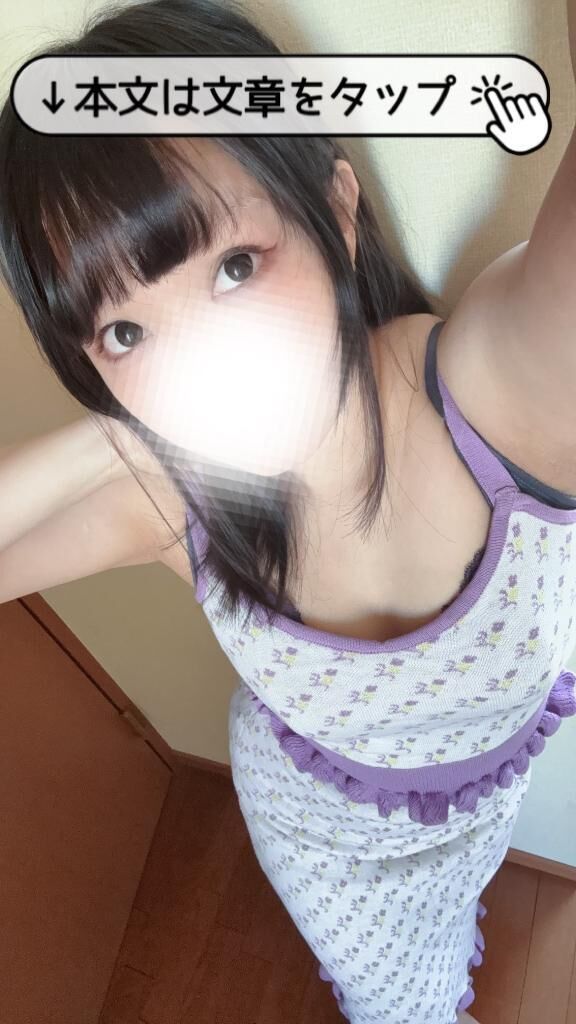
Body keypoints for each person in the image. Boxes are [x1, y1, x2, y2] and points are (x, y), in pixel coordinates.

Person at [1, 2, 576, 1022]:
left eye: (233, 267)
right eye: (124, 333)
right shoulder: (165, 499)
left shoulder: (506, 399)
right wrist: (109, 438)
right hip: (318, 839)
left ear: (336, 210)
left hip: (477, 818)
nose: (194, 368)